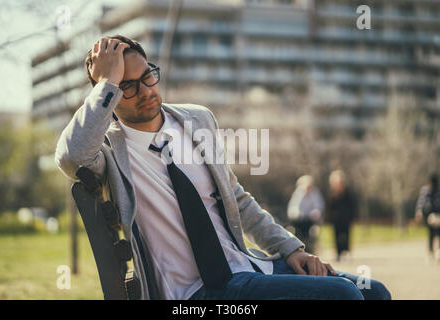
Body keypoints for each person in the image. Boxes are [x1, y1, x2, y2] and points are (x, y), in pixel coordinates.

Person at [55, 35, 391, 300]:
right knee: (344, 295)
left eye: (147, 77)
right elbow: (70, 157)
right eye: (126, 85)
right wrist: (105, 85)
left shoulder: (196, 119)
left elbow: (237, 199)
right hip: (197, 293)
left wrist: (290, 248)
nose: (145, 91)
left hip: (247, 268)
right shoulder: (108, 151)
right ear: (108, 92)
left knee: (373, 291)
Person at [287, 175, 324, 254]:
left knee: (311, 232)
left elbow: (318, 205)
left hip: (310, 220)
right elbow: (294, 206)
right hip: (299, 220)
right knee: (297, 230)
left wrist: (316, 212)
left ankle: (310, 248)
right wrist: (296, 213)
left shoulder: (315, 193)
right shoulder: (298, 193)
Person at [326, 170, 358, 262]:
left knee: (347, 235)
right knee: (336, 236)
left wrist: (352, 217)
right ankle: (338, 253)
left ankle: (346, 252)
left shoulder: (348, 193)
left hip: (346, 218)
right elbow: (329, 207)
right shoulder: (332, 194)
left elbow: (352, 206)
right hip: (336, 219)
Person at [415, 173, 440, 260]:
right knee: (432, 233)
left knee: (434, 234)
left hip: (434, 215)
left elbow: (421, 202)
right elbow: (421, 201)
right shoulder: (426, 190)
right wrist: (419, 211)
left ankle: (435, 252)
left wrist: (419, 211)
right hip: (431, 215)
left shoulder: (433, 190)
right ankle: (432, 252)